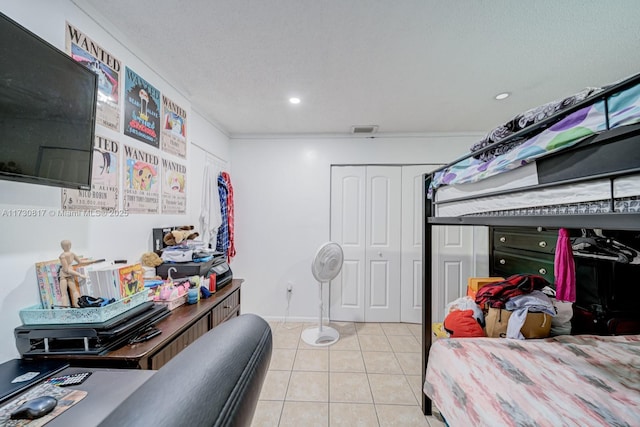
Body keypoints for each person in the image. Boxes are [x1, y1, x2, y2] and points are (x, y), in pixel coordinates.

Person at [58, 240, 87, 307]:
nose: (68, 246)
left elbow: (80, 262)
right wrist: (80, 275)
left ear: (62, 247)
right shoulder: (65, 256)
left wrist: (93, 262)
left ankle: (78, 305)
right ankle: (65, 309)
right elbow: (66, 270)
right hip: (66, 274)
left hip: (67, 274)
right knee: (68, 292)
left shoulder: (65, 255)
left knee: (69, 292)